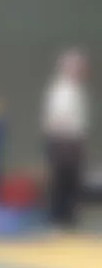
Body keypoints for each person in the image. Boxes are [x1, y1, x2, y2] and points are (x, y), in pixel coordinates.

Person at [43, 48, 88, 228]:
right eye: (77, 68)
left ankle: (66, 216)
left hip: (70, 140)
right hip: (63, 140)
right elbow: (58, 117)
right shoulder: (62, 90)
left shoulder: (75, 89)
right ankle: (58, 217)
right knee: (62, 179)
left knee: (71, 180)